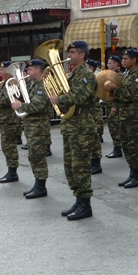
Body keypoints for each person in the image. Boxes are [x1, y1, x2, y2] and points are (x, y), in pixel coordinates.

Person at [50, 40, 98, 221]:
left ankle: (85, 204)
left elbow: (77, 96)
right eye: (69, 52)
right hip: (71, 125)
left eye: (72, 52)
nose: (68, 56)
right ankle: (79, 200)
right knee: (70, 166)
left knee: (81, 167)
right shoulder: (73, 74)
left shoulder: (86, 75)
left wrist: (58, 99)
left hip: (82, 126)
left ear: (82, 55)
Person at [106, 49, 138, 189]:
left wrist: (114, 89)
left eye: (125, 59)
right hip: (124, 114)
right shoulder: (126, 74)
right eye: (122, 59)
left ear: (134, 60)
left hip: (134, 115)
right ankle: (132, 173)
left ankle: (137, 175)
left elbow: (131, 95)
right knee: (126, 145)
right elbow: (119, 93)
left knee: (134, 145)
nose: (122, 61)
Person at [11, 59, 51, 199]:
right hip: (31, 127)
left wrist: (20, 106)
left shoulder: (42, 86)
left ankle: (41, 187)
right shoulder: (33, 84)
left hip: (38, 127)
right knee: (33, 156)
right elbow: (24, 99)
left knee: (38, 157)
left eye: (30, 69)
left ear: (38, 70)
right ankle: (38, 184)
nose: (27, 72)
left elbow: (37, 106)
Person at [0, 62, 21, 183]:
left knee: (9, 146)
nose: (0, 71)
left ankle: (13, 172)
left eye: (2, 69)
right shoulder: (5, 83)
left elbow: (7, 100)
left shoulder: (11, 83)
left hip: (9, 119)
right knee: (6, 146)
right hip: (5, 119)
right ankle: (11, 171)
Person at [86, 59, 103, 174]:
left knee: (94, 137)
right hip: (87, 111)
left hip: (94, 110)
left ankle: (96, 164)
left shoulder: (94, 78)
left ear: (91, 68)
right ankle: (91, 162)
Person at [105, 55, 124, 159]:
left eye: (110, 63)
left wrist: (114, 106)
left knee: (115, 128)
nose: (108, 65)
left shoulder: (118, 76)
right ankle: (117, 148)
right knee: (112, 127)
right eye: (108, 63)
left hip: (115, 107)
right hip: (110, 105)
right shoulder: (110, 75)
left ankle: (117, 149)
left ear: (116, 64)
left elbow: (118, 92)